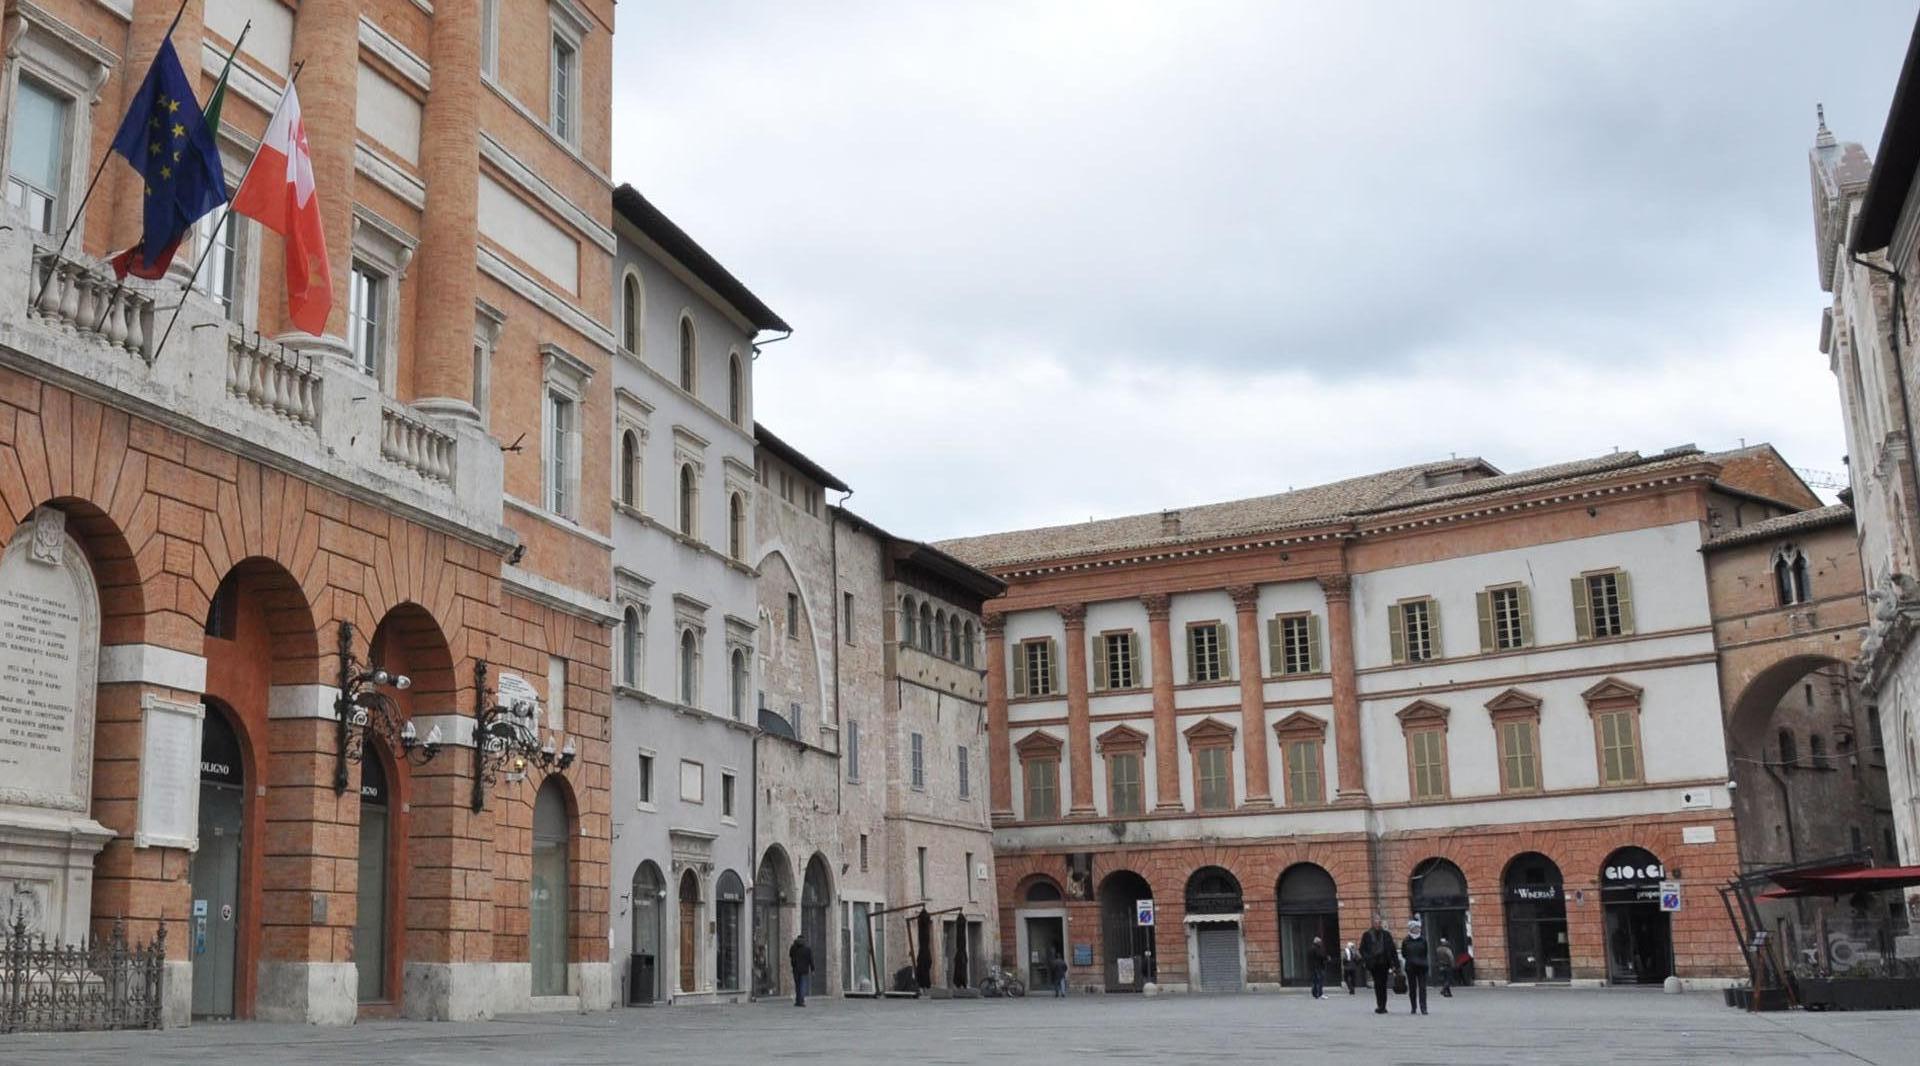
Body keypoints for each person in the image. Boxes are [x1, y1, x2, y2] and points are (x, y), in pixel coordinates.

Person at [1359, 916, 1398, 1015]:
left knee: (1383, 984)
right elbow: (1362, 949)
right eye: (1376, 922)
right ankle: (1380, 1004)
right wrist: (1367, 958)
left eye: (1379, 922)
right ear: (1372, 923)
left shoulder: (1386, 934)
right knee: (1377, 984)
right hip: (1374, 964)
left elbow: (1392, 949)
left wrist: (1395, 964)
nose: (1378, 924)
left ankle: (1383, 1005)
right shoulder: (1367, 935)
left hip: (1384, 962)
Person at [1400, 919, 1430, 1016]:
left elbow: (1426, 952)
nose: (1418, 929)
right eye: (1416, 928)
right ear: (1412, 929)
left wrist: (1422, 960)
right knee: (1412, 988)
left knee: (1422, 988)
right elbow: (1404, 953)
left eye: (1419, 928)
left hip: (1422, 966)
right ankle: (1413, 1007)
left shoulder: (1423, 940)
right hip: (1411, 967)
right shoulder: (1406, 941)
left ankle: (1423, 1008)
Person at [789, 933, 814, 1007]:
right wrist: (812, 969)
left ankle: (798, 1001)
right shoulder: (807, 949)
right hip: (804, 970)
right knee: (802, 985)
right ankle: (801, 1000)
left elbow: (790, 955)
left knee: (797, 986)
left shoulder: (793, 947)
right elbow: (811, 960)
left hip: (796, 969)